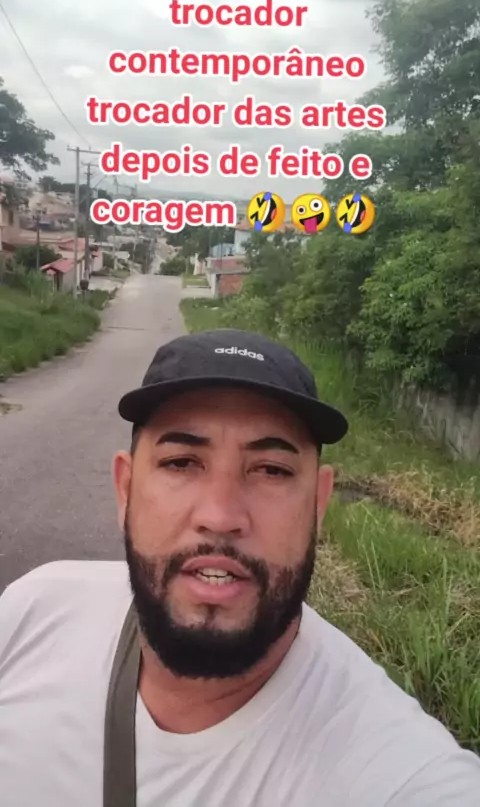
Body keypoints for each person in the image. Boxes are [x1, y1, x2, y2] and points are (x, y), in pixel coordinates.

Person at [0, 329, 479, 807]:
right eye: (181, 462)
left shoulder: (399, 772)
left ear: (318, 503)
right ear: (125, 489)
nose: (221, 515)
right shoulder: (33, 614)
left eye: (271, 470)